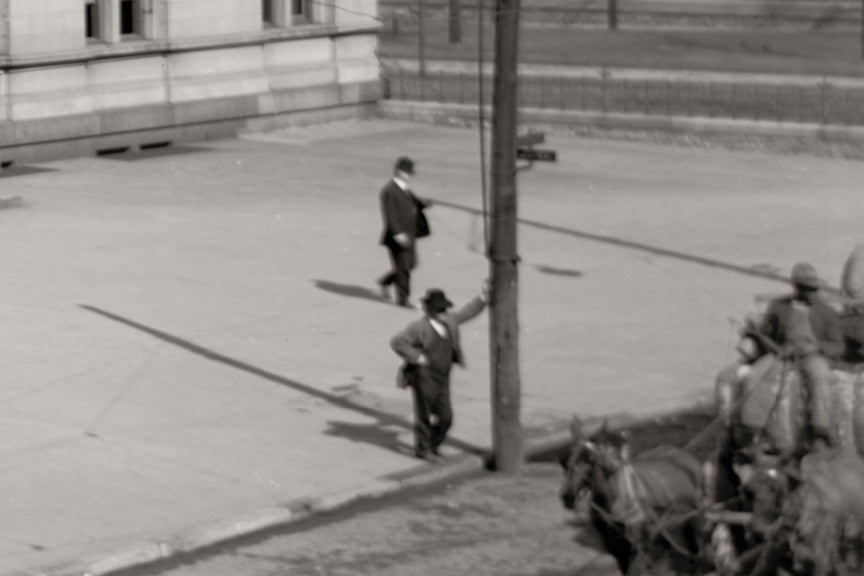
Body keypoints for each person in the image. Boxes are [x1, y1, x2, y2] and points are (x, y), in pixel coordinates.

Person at [748, 262, 843, 446]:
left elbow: (838, 346)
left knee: (820, 377)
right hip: (782, 353)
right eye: (805, 288)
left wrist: (817, 347)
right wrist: (757, 336)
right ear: (795, 286)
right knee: (756, 375)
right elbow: (766, 334)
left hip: (812, 356)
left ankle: (820, 428)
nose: (810, 292)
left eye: (813, 289)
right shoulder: (778, 306)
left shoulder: (827, 312)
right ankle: (752, 429)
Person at [390, 284, 488, 461]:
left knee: (446, 417)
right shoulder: (419, 327)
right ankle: (423, 449)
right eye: (440, 310)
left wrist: (483, 298)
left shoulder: (450, 321)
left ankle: (432, 443)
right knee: (424, 415)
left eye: (444, 309)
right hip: (424, 376)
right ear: (430, 311)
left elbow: (467, 312)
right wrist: (416, 357)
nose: (444, 312)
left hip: (443, 376)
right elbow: (397, 341)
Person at [377, 156, 430, 308]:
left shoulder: (404, 187)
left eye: (410, 173)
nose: (409, 175)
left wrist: (424, 204)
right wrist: (397, 233)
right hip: (397, 236)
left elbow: (414, 202)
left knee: (411, 264)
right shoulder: (389, 190)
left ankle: (385, 282)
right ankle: (403, 299)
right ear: (398, 171)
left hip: (410, 234)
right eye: (407, 172)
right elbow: (389, 215)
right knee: (404, 268)